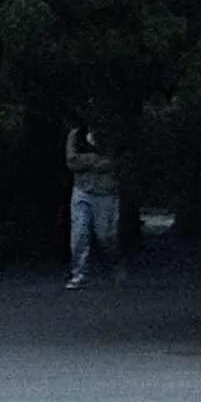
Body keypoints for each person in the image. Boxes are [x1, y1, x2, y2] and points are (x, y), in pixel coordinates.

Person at [64, 122, 121, 290]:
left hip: (106, 193)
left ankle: (113, 265)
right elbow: (71, 161)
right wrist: (95, 160)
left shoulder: (112, 135)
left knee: (105, 235)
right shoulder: (76, 134)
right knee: (79, 234)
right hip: (82, 190)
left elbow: (112, 162)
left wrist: (86, 162)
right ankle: (79, 273)